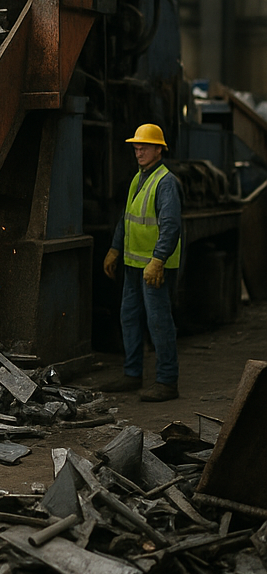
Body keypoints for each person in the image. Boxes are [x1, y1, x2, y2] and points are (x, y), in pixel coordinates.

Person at [100, 123, 182, 402]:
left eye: (144, 146)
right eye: (136, 147)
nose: (139, 151)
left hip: (153, 268)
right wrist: (114, 249)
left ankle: (167, 382)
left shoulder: (165, 181)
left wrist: (158, 260)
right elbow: (128, 217)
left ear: (159, 149)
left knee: (159, 321)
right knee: (129, 317)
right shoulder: (140, 178)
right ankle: (132, 374)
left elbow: (171, 226)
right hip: (134, 265)